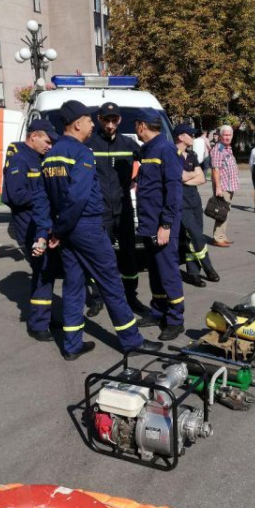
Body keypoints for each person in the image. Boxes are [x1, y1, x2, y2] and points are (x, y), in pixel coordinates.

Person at [36, 100, 162, 360]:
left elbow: (45, 198)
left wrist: (54, 230)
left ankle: (71, 345)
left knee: (73, 286)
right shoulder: (81, 153)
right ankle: (132, 341)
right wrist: (61, 229)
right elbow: (78, 198)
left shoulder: (51, 154)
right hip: (87, 226)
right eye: (90, 120)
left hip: (67, 230)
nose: (93, 124)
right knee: (111, 283)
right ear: (78, 123)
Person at [87, 101, 150, 317]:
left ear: (120, 120)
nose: (111, 125)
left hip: (123, 209)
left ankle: (131, 297)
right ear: (99, 119)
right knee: (99, 256)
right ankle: (97, 298)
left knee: (128, 255)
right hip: (99, 210)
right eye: (107, 120)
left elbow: (149, 164)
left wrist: (136, 179)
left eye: (114, 121)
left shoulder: (128, 144)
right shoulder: (90, 144)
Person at [1, 119, 59, 342]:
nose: (49, 145)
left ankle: (44, 316)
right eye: (47, 140)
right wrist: (46, 198)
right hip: (28, 226)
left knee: (47, 271)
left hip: (42, 224)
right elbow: (14, 196)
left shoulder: (41, 158)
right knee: (43, 270)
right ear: (33, 136)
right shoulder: (20, 159)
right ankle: (38, 324)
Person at [133, 109, 185, 341]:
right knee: (155, 271)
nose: (135, 128)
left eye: (135, 124)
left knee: (168, 272)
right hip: (148, 222)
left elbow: (173, 190)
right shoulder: (148, 149)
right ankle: (158, 310)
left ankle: (175, 320)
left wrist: (166, 224)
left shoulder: (165, 149)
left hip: (162, 224)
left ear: (142, 126)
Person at [174, 123, 220, 288]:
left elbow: (202, 178)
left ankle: (193, 273)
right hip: (180, 200)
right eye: (190, 135)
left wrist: (187, 176)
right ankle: (208, 268)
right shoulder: (172, 155)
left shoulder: (191, 154)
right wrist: (189, 175)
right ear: (181, 137)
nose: (193, 137)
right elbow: (177, 177)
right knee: (196, 235)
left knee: (194, 236)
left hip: (194, 199)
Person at [210, 125, 239, 247]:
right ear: (221, 136)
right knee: (221, 212)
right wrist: (218, 188)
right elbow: (215, 170)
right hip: (222, 187)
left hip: (229, 186)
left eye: (229, 135)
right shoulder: (218, 149)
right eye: (225, 135)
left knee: (225, 211)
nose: (227, 137)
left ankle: (222, 235)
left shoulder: (227, 148)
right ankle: (218, 237)